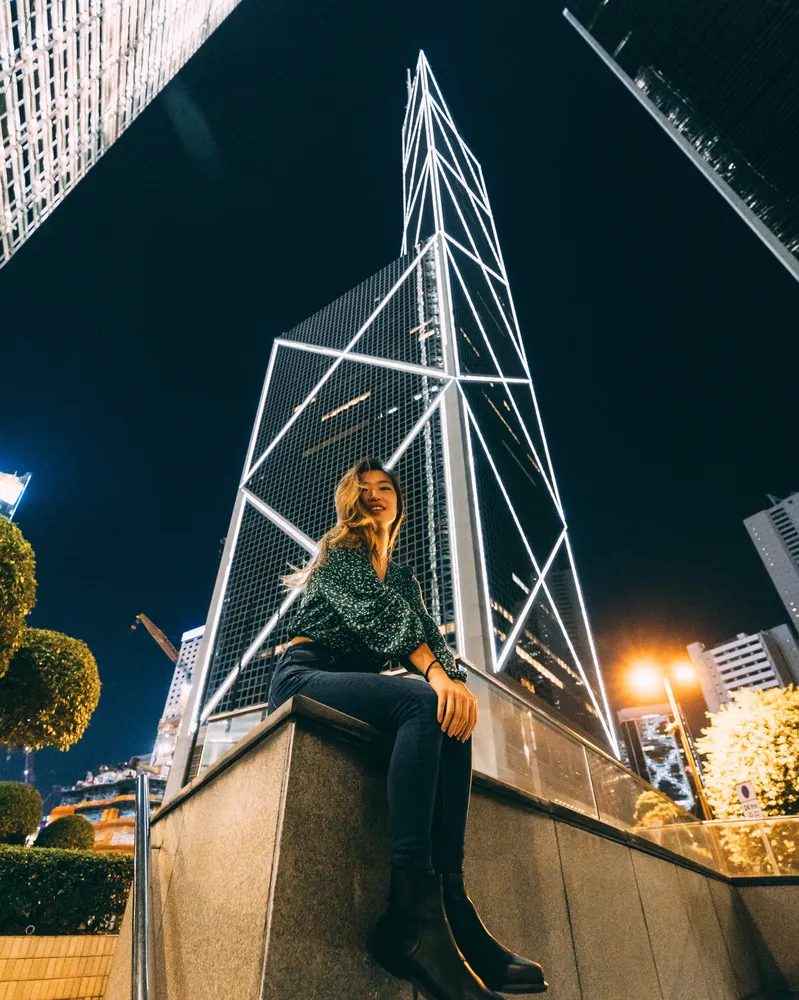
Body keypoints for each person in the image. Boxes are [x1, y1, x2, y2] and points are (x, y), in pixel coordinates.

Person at [268, 456, 548, 1000]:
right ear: (350, 500)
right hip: (305, 674)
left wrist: (456, 682)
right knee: (425, 701)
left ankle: (451, 904)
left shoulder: (400, 575)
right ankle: (410, 912)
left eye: (386, 487)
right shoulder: (340, 551)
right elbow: (383, 623)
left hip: (349, 679)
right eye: (365, 488)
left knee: (449, 714)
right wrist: (439, 680)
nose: (377, 494)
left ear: (398, 501)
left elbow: (432, 642)